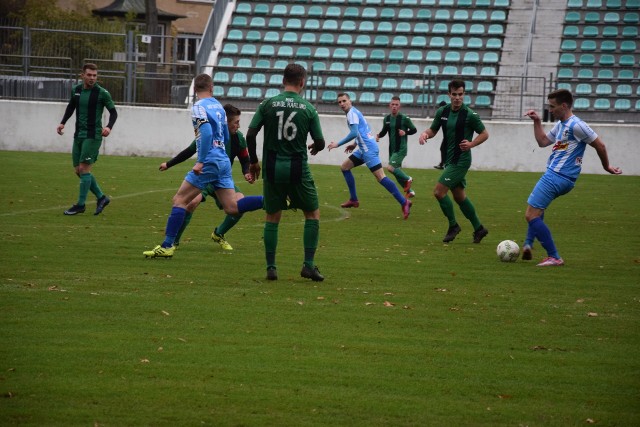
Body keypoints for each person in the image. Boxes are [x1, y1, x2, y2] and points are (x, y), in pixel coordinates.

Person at [143, 73, 263, 258]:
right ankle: (272, 199)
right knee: (232, 206)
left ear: (194, 89)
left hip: (209, 160)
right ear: (211, 87)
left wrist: (201, 161)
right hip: (222, 161)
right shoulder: (218, 107)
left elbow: (206, 132)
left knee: (180, 200)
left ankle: (168, 245)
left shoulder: (199, 107)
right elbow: (224, 136)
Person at [522, 89, 622, 266]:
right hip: (560, 177)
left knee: (531, 214)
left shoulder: (577, 125)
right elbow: (543, 142)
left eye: (552, 107)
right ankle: (528, 244)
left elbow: (600, 145)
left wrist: (606, 166)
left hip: (557, 176)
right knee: (537, 210)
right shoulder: (561, 124)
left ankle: (554, 256)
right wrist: (537, 121)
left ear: (564, 105)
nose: (550, 110)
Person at [246, 63, 326, 282]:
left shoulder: (268, 104)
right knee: (312, 213)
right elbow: (320, 141)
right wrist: (316, 147)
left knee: (272, 216)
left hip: (272, 168)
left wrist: (253, 162)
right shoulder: (308, 108)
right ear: (302, 82)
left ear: (283, 81)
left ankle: (271, 268)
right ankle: (308, 265)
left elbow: (250, 135)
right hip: (297, 169)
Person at [158, 104, 259, 251]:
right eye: (236, 122)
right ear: (226, 122)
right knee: (191, 203)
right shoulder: (211, 135)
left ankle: (219, 233)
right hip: (206, 178)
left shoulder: (239, 138)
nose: (239, 125)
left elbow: (244, 159)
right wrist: (169, 163)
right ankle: (174, 241)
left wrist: (246, 172)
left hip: (222, 179)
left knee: (239, 204)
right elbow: (189, 151)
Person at [418, 79, 489, 244]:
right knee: (459, 197)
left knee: (438, 192)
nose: (458, 98)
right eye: (455, 94)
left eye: (461, 94)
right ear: (449, 94)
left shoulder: (470, 115)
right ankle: (479, 229)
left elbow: (484, 133)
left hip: (461, 160)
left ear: (464, 95)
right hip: (450, 160)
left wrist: (471, 144)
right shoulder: (442, 111)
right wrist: (425, 134)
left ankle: (453, 226)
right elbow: (433, 129)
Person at [328, 93, 412, 220]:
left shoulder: (351, 113)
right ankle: (353, 199)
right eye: (339, 102)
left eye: (344, 101)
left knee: (381, 177)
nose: (342, 104)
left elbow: (354, 132)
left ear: (350, 101)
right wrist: (354, 144)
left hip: (368, 150)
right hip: (364, 148)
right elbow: (363, 130)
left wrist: (337, 144)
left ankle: (404, 202)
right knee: (345, 167)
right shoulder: (354, 112)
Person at [57, 63, 117, 216]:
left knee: (84, 169)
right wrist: (62, 123)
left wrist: (109, 127)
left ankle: (80, 205)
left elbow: (113, 112)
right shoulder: (76, 90)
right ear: (82, 75)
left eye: (94, 75)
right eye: (89, 75)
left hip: (93, 136)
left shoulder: (102, 93)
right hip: (79, 135)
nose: (92, 78)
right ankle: (101, 197)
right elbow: (71, 107)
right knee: (78, 170)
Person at [376, 95, 418, 198]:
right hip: (392, 149)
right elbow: (384, 131)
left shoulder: (404, 119)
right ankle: (410, 191)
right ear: (389, 105)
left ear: (400, 106)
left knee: (390, 167)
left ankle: (408, 178)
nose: (394, 106)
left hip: (401, 148)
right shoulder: (387, 119)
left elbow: (414, 130)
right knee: (396, 172)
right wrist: (378, 135)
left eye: (396, 105)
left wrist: (405, 132)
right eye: (393, 104)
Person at [434, 100, 448, 170]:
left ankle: (444, 164)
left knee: (444, 149)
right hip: (446, 137)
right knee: (443, 149)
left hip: (450, 137)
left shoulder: (447, 114)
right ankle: (443, 164)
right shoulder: (443, 114)